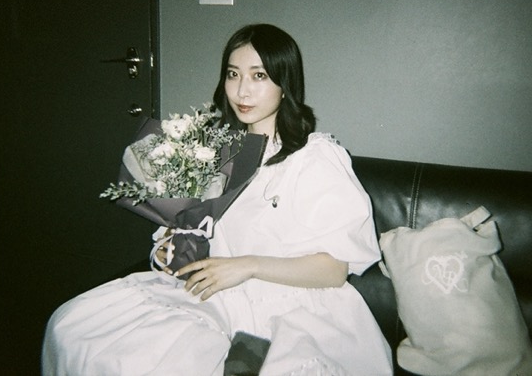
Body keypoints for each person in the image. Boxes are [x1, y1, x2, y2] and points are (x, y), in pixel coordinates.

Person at [42, 24, 392, 375]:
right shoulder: (211, 154)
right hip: (216, 294)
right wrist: (171, 248)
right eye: (233, 74)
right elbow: (194, 227)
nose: (242, 90)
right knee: (75, 329)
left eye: (259, 76)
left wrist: (247, 265)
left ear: (285, 85)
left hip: (293, 304)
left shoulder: (313, 158)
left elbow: (334, 270)